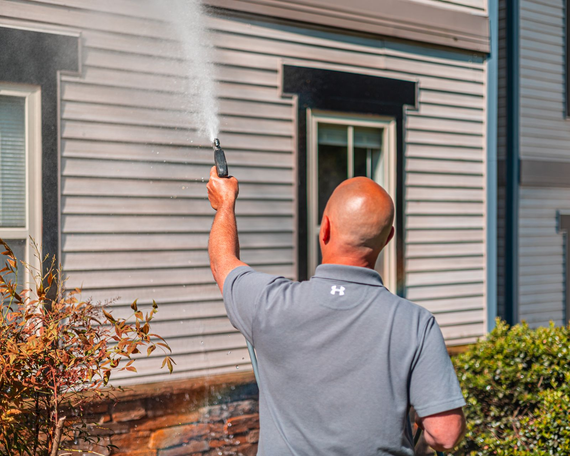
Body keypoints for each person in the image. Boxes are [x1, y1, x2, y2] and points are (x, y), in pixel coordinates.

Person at [207, 166, 466, 455]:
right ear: (388, 238)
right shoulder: (416, 324)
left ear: (325, 228)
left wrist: (225, 204)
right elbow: (445, 434)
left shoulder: (269, 303)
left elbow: (223, 262)